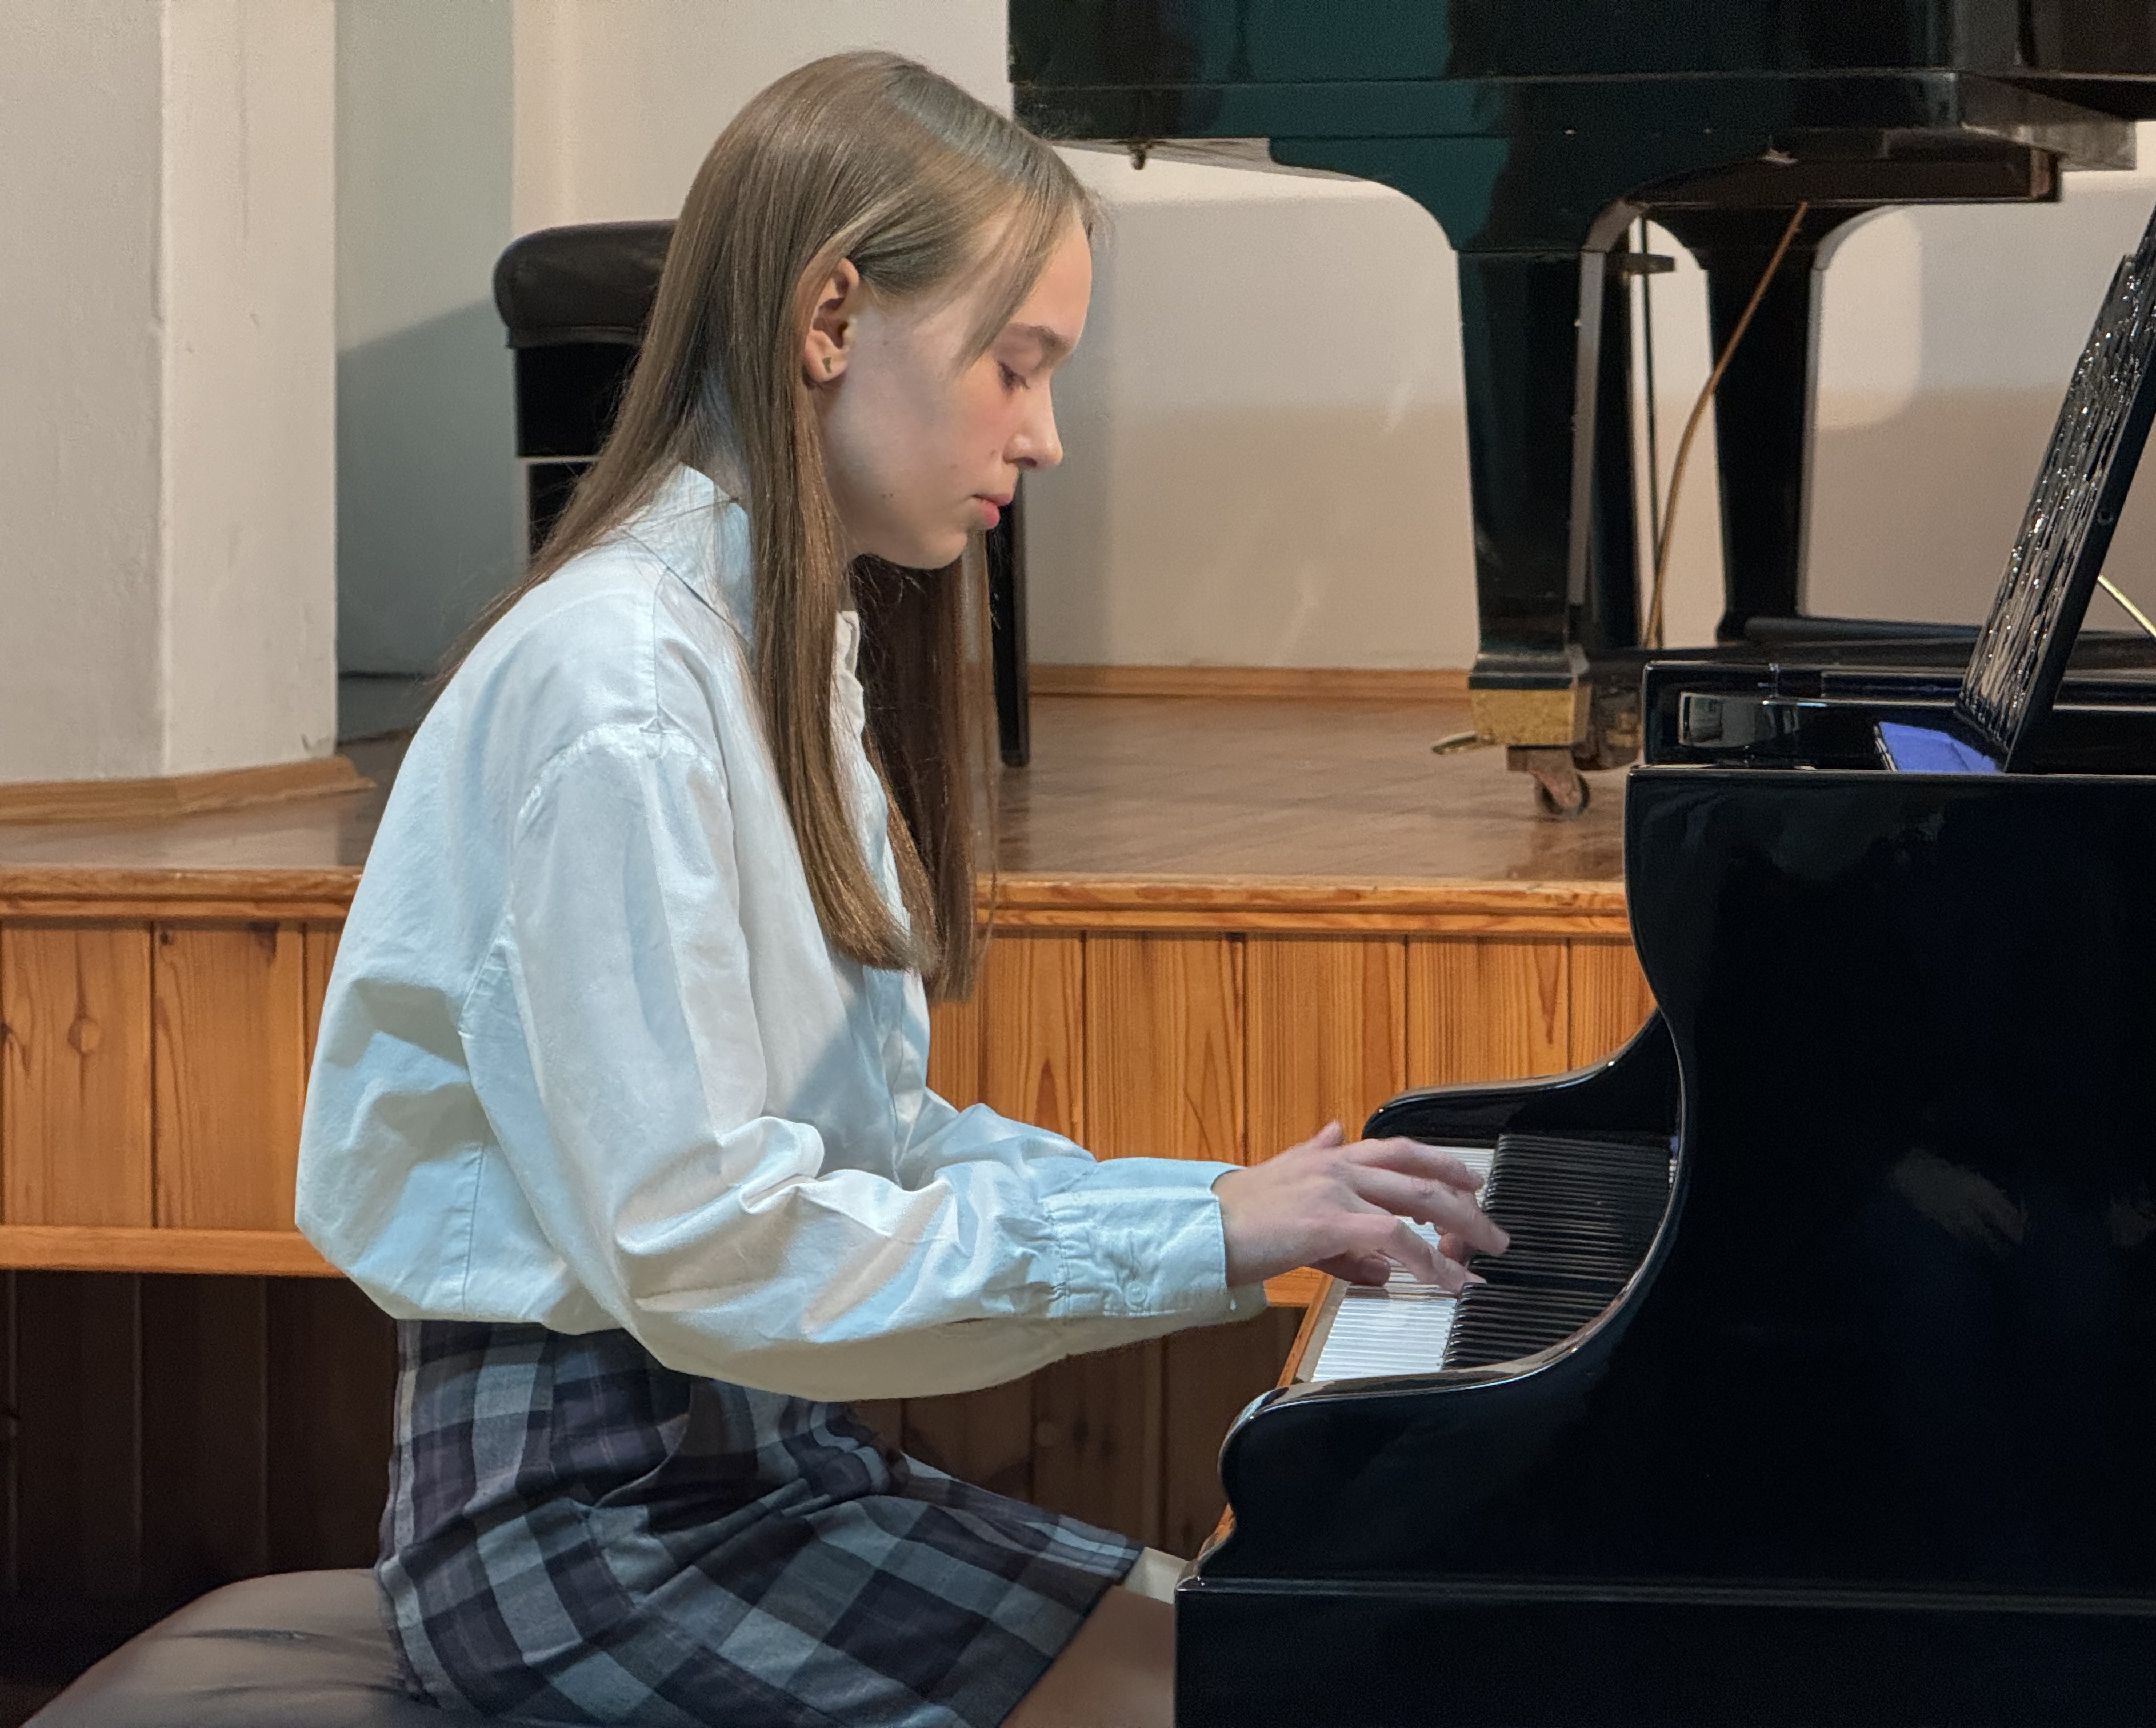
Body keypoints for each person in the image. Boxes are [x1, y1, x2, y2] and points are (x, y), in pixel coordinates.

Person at [297, 51, 1502, 1728]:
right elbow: (701, 1243)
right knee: (1257, 1694)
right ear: (830, 318)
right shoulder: (617, 687)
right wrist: (1203, 1236)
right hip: (589, 1530)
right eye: (1017, 366)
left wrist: (1227, 1201)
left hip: (763, 1467)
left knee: (1293, 1656)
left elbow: (874, 1144)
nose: (1045, 434)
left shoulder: (772, 651)